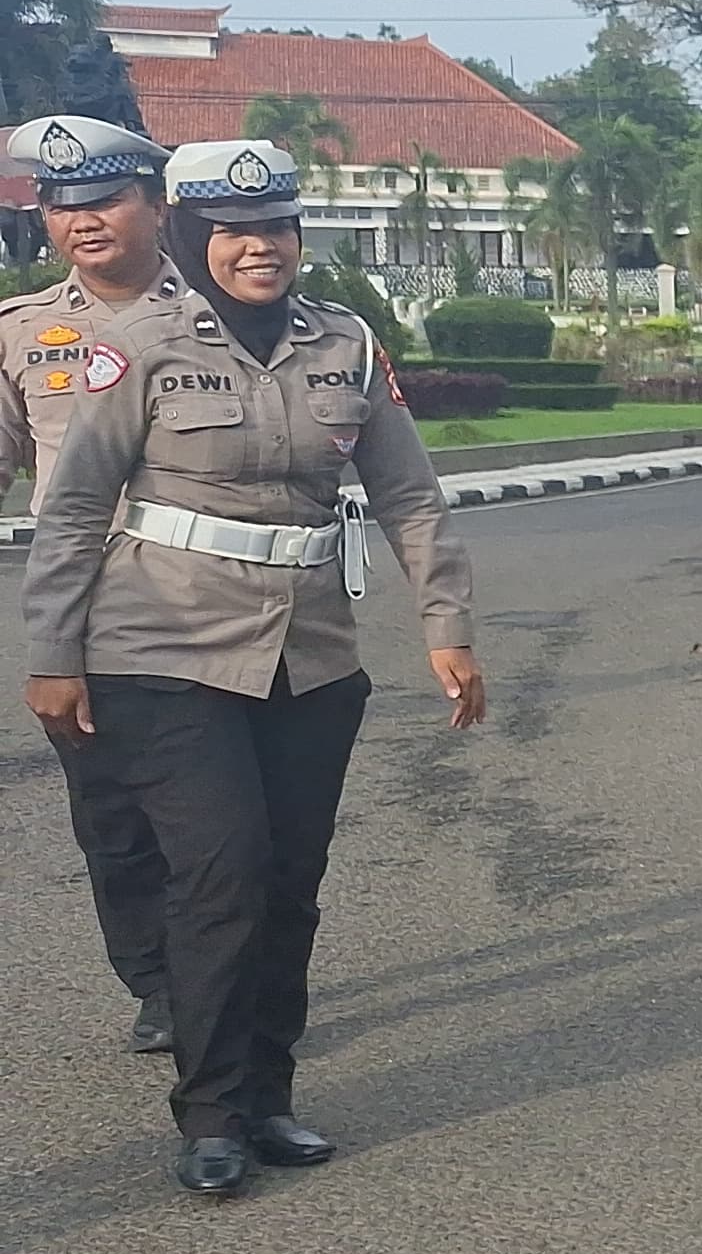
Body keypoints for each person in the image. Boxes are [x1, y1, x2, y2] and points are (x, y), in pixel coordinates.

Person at [21, 141, 482, 1198]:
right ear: (193, 236)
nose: (260, 248)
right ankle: (212, 1112)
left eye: (276, 226)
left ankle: (269, 1096)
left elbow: (408, 495)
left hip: (309, 658)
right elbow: (76, 507)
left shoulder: (347, 346)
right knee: (220, 870)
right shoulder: (132, 346)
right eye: (234, 231)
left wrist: (446, 623)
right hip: (159, 649)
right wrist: (52, 654)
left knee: (288, 881)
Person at [1, 115, 188, 1051]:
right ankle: (158, 984)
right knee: (113, 822)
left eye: (105, 198)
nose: (82, 219)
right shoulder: (25, 333)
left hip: (210, 610)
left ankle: (237, 980)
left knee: (231, 830)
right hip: (83, 616)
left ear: (155, 206)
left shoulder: (222, 314)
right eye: (60, 203)